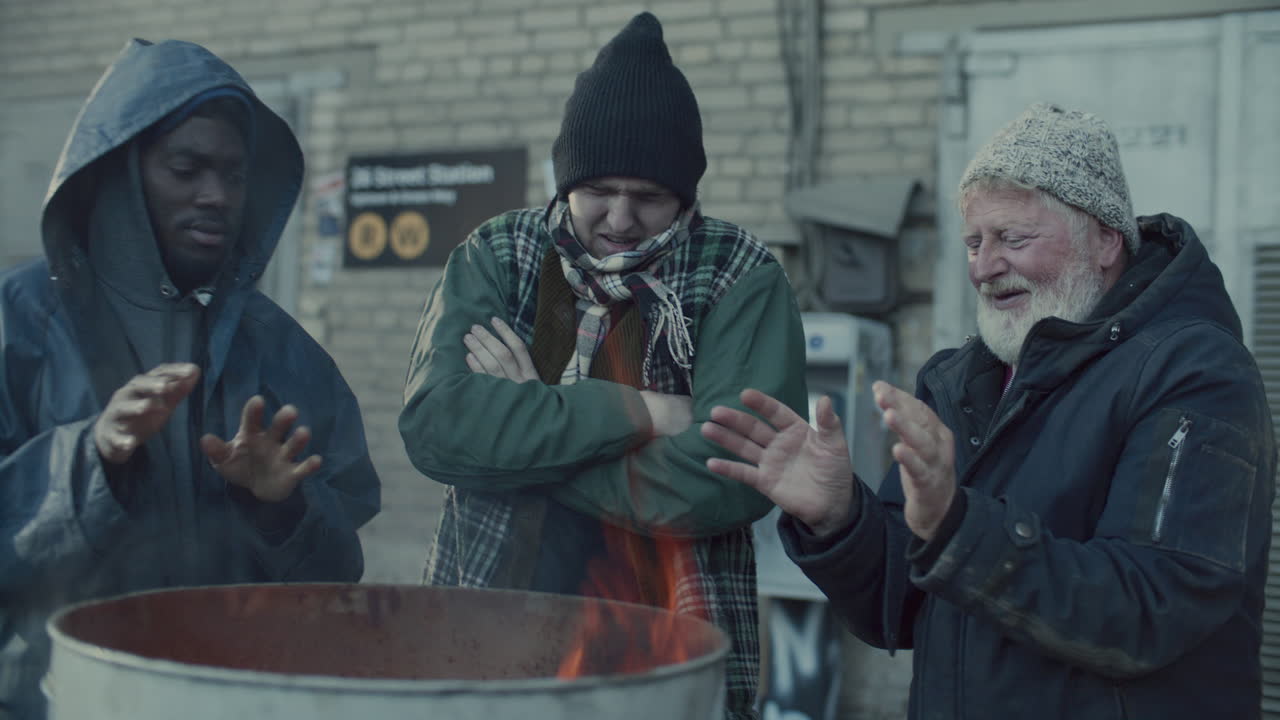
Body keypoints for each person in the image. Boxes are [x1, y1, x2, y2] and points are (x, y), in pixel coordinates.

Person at [701, 102, 1275, 719]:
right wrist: (839, 516)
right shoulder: (959, 381)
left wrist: (958, 525)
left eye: (1013, 238)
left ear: (1106, 239)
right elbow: (901, 606)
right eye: (975, 241)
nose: (982, 266)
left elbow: (1150, 609)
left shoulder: (1195, 373)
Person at [399, 12, 806, 719]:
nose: (620, 218)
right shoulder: (500, 255)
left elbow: (730, 478)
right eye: (599, 191)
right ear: (566, 184)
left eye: (648, 197)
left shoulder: (737, 274)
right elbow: (438, 428)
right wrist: (642, 413)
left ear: (685, 196)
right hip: (492, 618)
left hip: (671, 629)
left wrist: (528, 437)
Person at [0, 38, 381, 717]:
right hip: (58, 698)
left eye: (234, 175)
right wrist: (92, 460)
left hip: (236, 695)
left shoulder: (283, 349)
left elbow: (338, 574)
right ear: (121, 172)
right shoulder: (18, 324)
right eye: (187, 167)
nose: (216, 196)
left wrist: (280, 505)